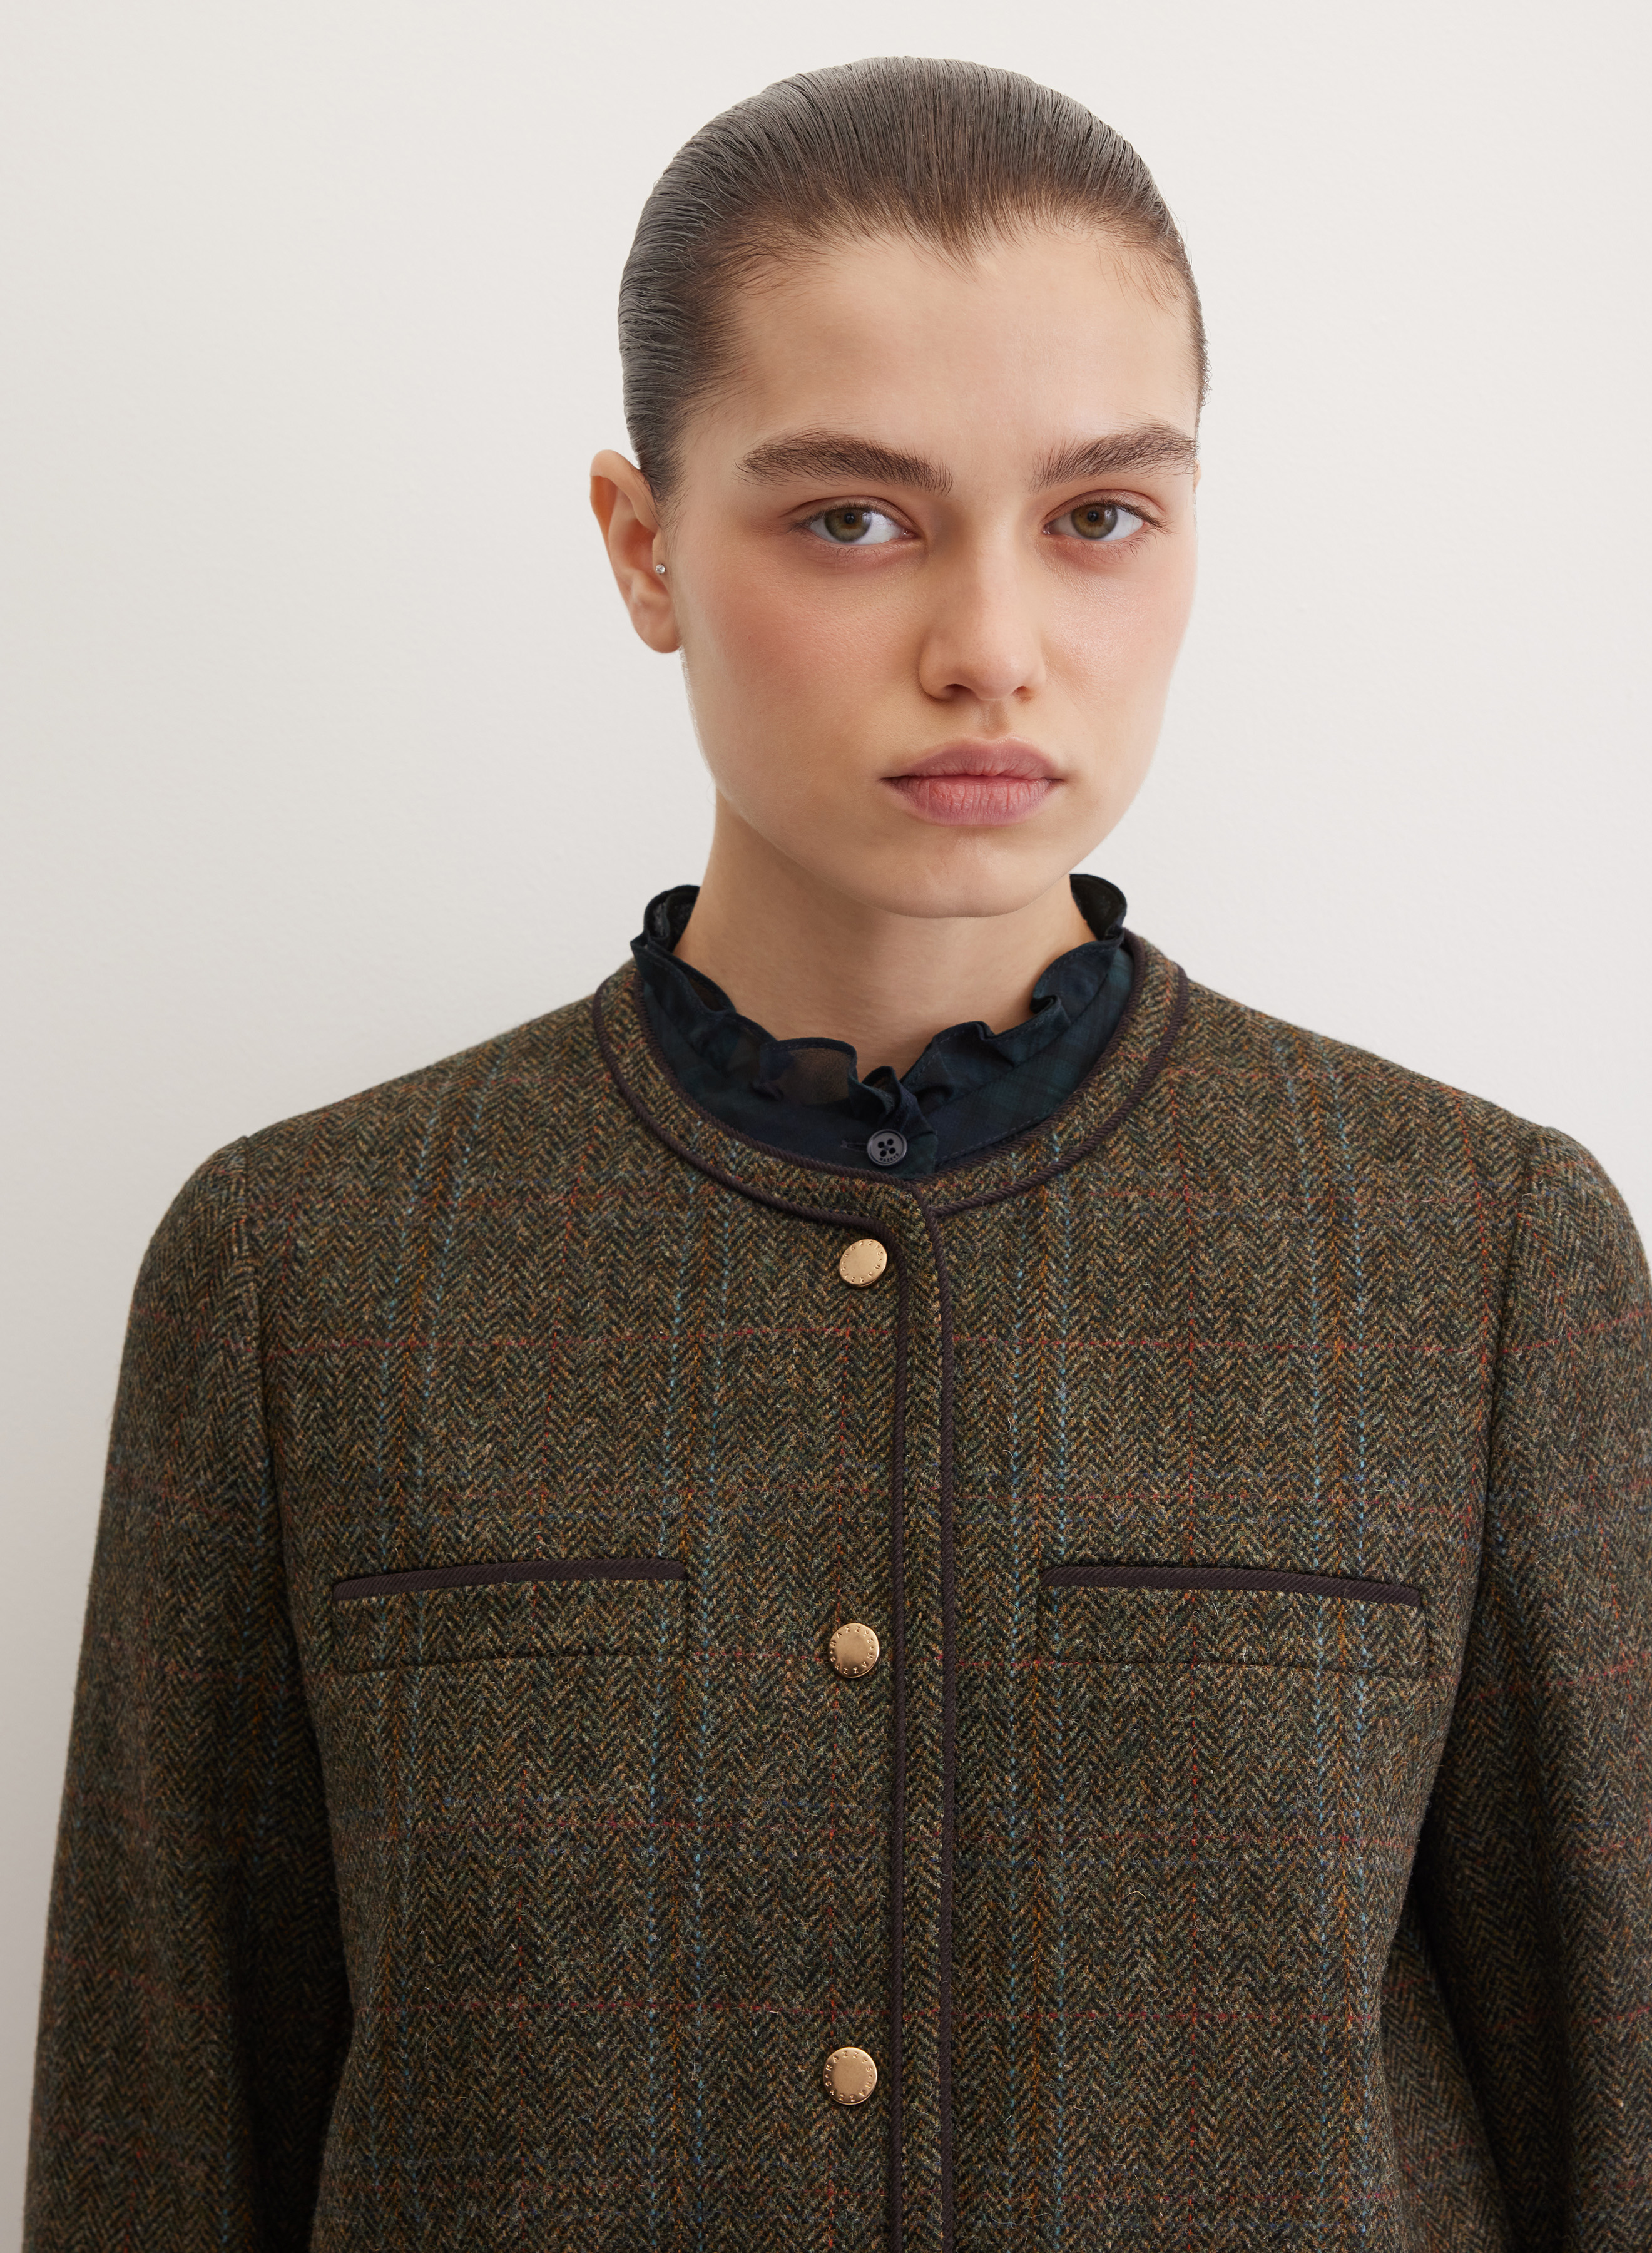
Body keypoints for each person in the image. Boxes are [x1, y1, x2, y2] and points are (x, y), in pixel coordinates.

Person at [24, 55, 1651, 2253]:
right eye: (854, 519)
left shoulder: (1478, 1258)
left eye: (1099, 516)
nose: (993, 651)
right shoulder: (301, 1272)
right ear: (644, 547)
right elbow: (157, 2141)